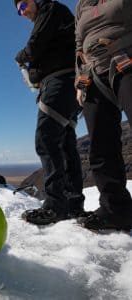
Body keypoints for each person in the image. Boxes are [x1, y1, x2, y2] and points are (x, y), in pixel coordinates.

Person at [14, 0, 85, 225]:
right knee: (64, 142)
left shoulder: (51, 9)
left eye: (23, 5)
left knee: (46, 138)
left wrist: (22, 56)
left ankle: (55, 205)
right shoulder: (56, 14)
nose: (22, 12)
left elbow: (35, 45)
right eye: (18, 10)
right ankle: (73, 203)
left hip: (60, 81)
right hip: (67, 82)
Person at [74, 0, 132, 231]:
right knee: (100, 145)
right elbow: (78, 45)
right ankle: (116, 210)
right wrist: (80, 80)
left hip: (125, 57)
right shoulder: (82, 5)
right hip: (93, 74)